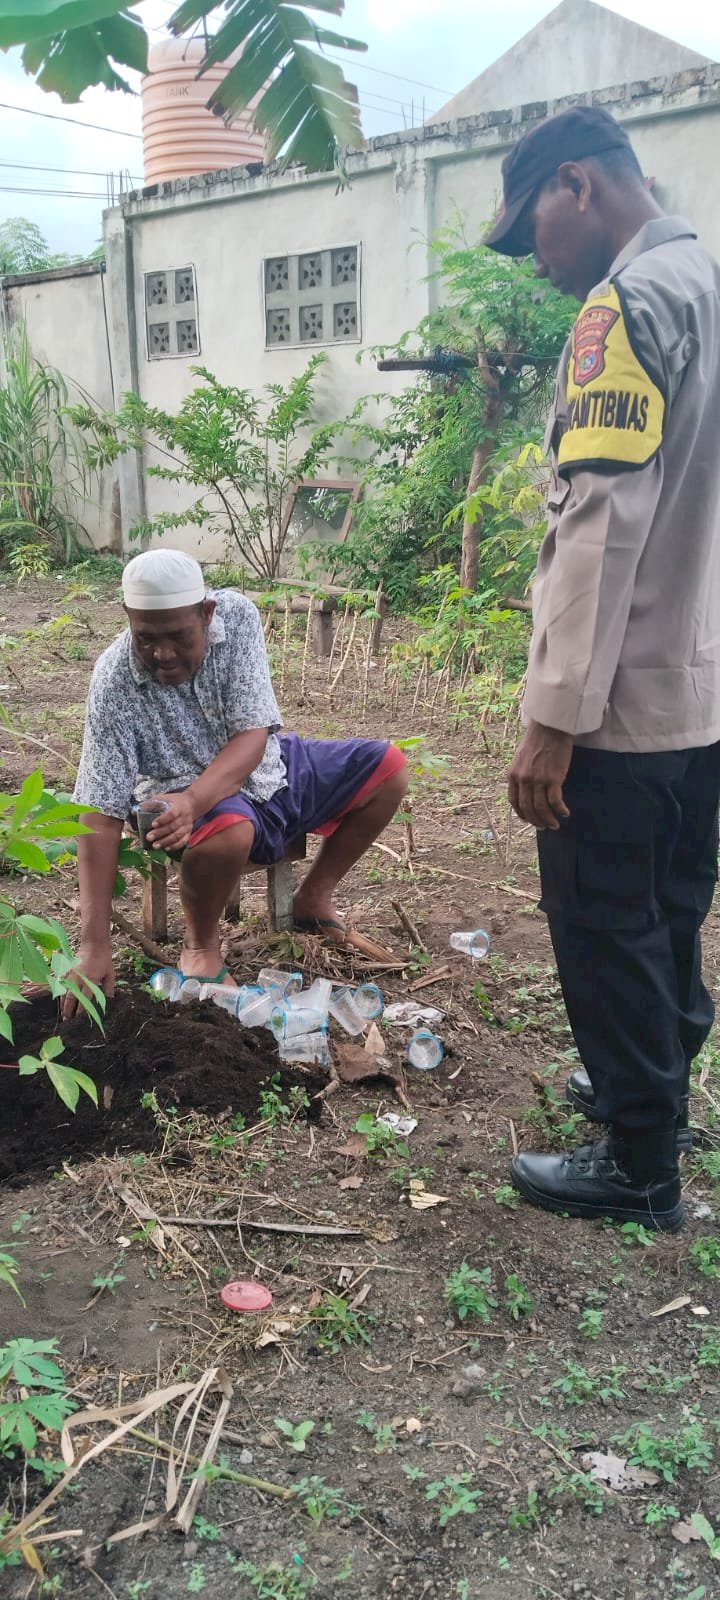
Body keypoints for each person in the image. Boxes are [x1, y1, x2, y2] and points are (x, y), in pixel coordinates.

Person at [486, 105, 720, 1232]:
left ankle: (638, 1161)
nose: (536, 256)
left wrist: (555, 712)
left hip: (623, 700)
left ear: (575, 185)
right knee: (672, 906)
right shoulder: (711, 282)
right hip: (701, 688)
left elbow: (601, 522)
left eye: (531, 223)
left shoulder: (623, 306)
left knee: (601, 918)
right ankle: (660, 1083)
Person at [65, 549, 408, 1010]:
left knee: (386, 768)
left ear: (206, 614)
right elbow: (99, 812)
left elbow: (252, 734)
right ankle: (201, 949)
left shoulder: (237, 617)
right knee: (228, 832)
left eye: (177, 636)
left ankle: (314, 897)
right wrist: (93, 945)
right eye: (145, 638)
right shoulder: (113, 681)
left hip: (267, 765)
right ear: (127, 616)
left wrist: (197, 799)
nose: (162, 654)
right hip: (177, 787)